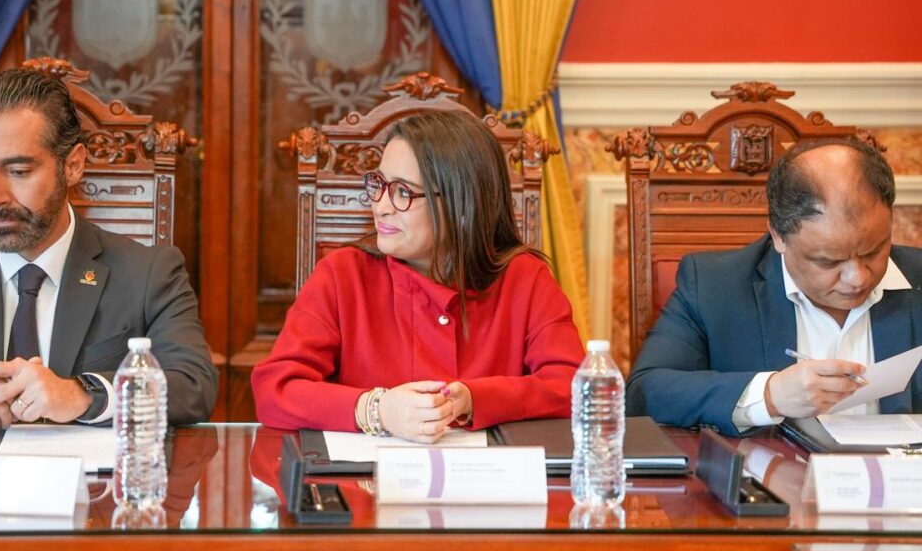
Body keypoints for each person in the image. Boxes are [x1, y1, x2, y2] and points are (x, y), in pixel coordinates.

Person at [251, 111, 582, 443]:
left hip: (488, 476)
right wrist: (376, 409)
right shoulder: (342, 275)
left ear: (462, 205)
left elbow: (575, 387)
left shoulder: (524, 278)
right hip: (369, 477)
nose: (380, 206)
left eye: (403, 192)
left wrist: (474, 399)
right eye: (379, 184)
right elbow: (275, 389)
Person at [0, 68, 217, 427]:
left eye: (18, 172)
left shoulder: (148, 273)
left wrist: (82, 395)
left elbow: (193, 384)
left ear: (73, 165)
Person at [627, 137, 922, 436]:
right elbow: (646, 392)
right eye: (828, 261)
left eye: (873, 251)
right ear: (778, 236)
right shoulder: (714, 286)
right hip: (772, 465)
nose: (857, 277)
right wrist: (769, 395)